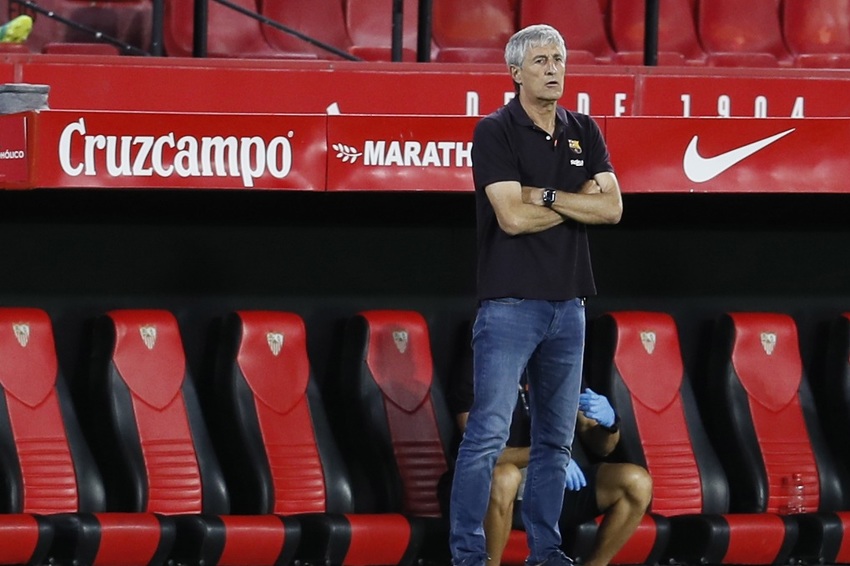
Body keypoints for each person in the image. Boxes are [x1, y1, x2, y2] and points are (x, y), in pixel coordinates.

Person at [448, 23, 623, 566]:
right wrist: (575, 200)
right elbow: (512, 217)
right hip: (510, 306)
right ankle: (468, 555)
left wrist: (546, 193)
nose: (553, 69)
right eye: (542, 60)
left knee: (556, 441)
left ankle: (547, 552)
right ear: (515, 71)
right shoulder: (494, 131)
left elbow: (613, 209)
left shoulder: (584, 129)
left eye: (559, 59)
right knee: (485, 438)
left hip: (570, 305)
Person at [441, 371, 652, 566]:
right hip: (483, 488)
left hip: (545, 488)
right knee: (505, 477)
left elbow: (603, 448)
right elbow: (481, 451)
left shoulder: (563, 365)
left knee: (636, 482)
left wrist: (610, 424)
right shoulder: (480, 363)